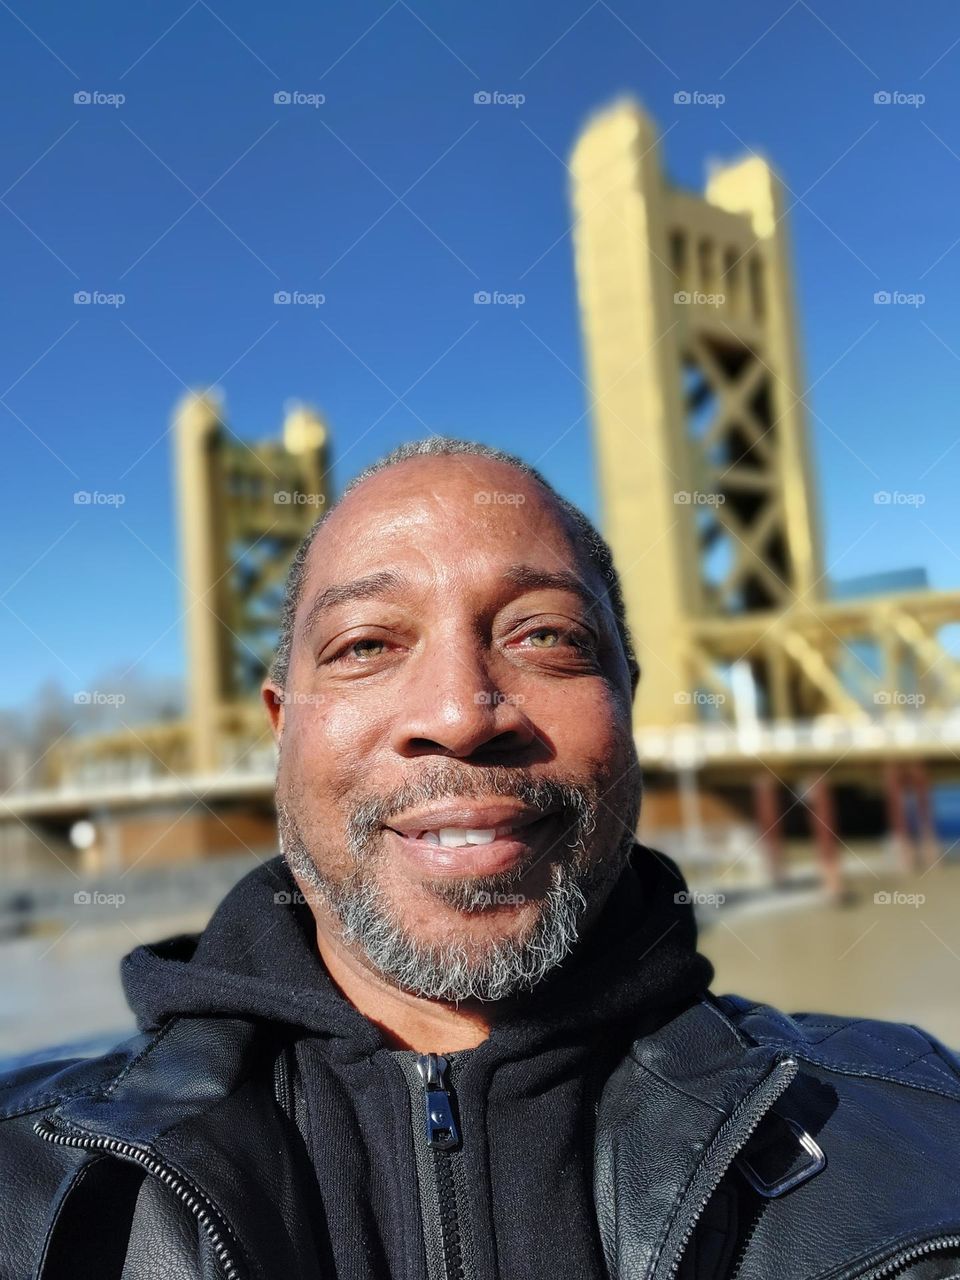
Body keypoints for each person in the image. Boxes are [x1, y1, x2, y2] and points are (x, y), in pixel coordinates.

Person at [2, 437, 960, 1280]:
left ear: (630, 702)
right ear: (278, 731)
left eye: (545, 635)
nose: (461, 714)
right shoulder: (29, 1173)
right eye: (365, 643)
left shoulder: (924, 1133)